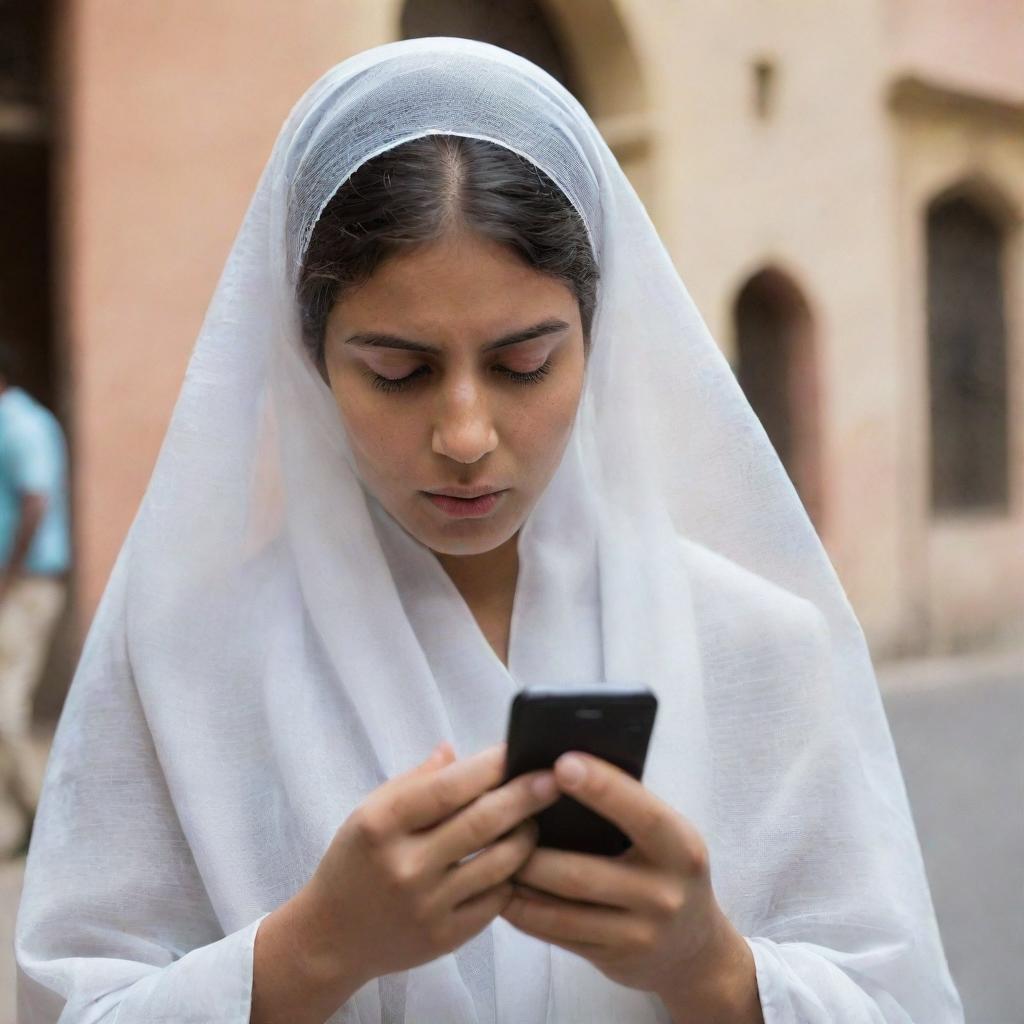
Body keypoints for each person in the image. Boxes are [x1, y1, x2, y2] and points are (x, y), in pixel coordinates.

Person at [14, 36, 963, 1024]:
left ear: (594, 339)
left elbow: (896, 998)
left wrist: (711, 969)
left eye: (522, 363)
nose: (465, 436)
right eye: (396, 371)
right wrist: (314, 948)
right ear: (308, 359)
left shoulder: (758, 649)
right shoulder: (188, 666)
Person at [0, 344, 69, 857]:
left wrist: (10, 573)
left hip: (26, 585)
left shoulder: (21, 424)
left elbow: (36, 499)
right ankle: (28, 822)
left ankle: (50, 820)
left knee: (5, 706)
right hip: (17, 581)